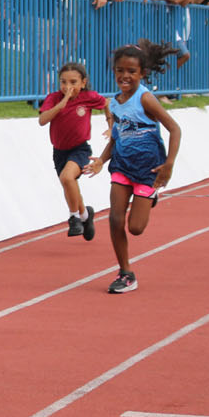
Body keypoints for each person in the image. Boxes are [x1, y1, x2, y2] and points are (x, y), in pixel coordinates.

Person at [86, 40, 183, 294]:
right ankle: (125, 272)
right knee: (115, 219)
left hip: (148, 170)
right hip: (121, 166)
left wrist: (169, 165)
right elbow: (117, 136)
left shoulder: (146, 99)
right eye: (120, 70)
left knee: (136, 228)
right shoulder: (113, 103)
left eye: (131, 71)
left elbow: (175, 129)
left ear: (142, 73)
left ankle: (150, 197)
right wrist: (101, 160)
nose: (125, 76)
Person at [39, 62, 110, 240]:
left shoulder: (88, 97)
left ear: (83, 83)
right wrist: (61, 104)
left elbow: (107, 103)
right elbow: (42, 120)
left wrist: (110, 125)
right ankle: (85, 216)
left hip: (80, 149)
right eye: (63, 82)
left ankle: (74, 218)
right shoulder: (54, 98)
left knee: (66, 177)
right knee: (70, 184)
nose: (67, 87)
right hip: (59, 151)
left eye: (73, 82)